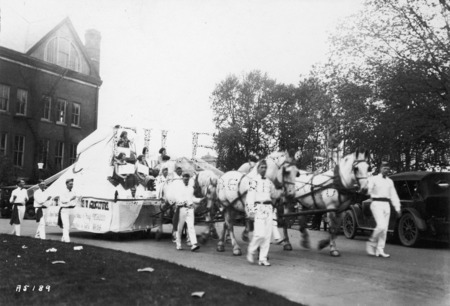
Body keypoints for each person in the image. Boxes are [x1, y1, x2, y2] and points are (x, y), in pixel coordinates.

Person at [246, 160, 281, 266]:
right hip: (259, 208)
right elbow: (250, 197)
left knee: (267, 236)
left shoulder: (269, 182)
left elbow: (274, 194)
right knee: (259, 234)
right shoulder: (253, 181)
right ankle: (251, 251)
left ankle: (263, 258)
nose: (264, 169)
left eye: (265, 167)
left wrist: (281, 188)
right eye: (262, 167)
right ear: (257, 169)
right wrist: (251, 211)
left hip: (269, 208)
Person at [366, 161, 401, 258]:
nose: (386, 170)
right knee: (381, 226)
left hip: (387, 204)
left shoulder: (390, 181)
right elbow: (368, 190)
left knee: (384, 229)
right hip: (376, 203)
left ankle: (380, 250)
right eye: (384, 168)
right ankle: (371, 242)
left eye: (388, 168)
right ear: (380, 168)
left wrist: (397, 207)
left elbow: (393, 195)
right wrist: (368, 187)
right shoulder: (373, 179)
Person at [174, 172, 203, 251]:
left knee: (191, 227)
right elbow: (177, 197)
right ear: (182, 178)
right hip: (182, 209)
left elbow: (192, 198)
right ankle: (178, 244)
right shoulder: (179, 187)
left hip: (190, 209)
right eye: (185, 179)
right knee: (179, 228)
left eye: (187, 179)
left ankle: (194, 244)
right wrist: (182, 201)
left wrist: (200, 200)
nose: (186, 180)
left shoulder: (191, 188)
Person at [58, 178, 78, 243]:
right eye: (70, 184)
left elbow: (75, 200)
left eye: (72, 184)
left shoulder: (74, 191)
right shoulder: (62, 192)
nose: (71, 185)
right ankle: (67, 241)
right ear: (66, 184)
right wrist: (70, 198)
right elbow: (63, 200)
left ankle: (63, 239)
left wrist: (78, 199)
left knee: (69, 225)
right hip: (65, 210)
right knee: (66, 225)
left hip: (72, 209)